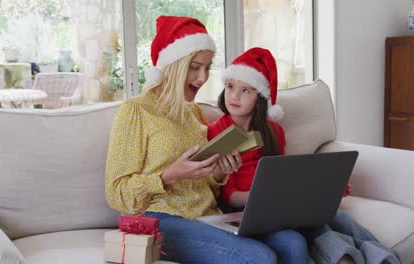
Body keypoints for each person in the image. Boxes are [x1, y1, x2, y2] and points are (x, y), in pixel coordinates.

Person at [105, 15, 309, 264]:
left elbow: (206, 183)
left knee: (293, 242)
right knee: (259, 257)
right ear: (174, 65)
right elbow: (116, 193)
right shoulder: (136, 111)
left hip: (210, 216)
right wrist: (168, 175)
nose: (202, 78)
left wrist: (220, 174)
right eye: (194, 67)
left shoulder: (193, 112)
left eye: (207, 67)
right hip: (163, 219)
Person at [209, 47, 401, 264]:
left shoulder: (273, 131)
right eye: (230, 86)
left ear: (260, 97)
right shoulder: (217, 132)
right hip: (246, 211)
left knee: (339, 219)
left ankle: (384, 257)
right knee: (311, 228)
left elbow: (283, 174)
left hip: (280, 203)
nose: (234, 95)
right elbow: (228, 195)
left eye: (245, 90)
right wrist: (266, 199)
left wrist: (321, 191)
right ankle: (346, 258)